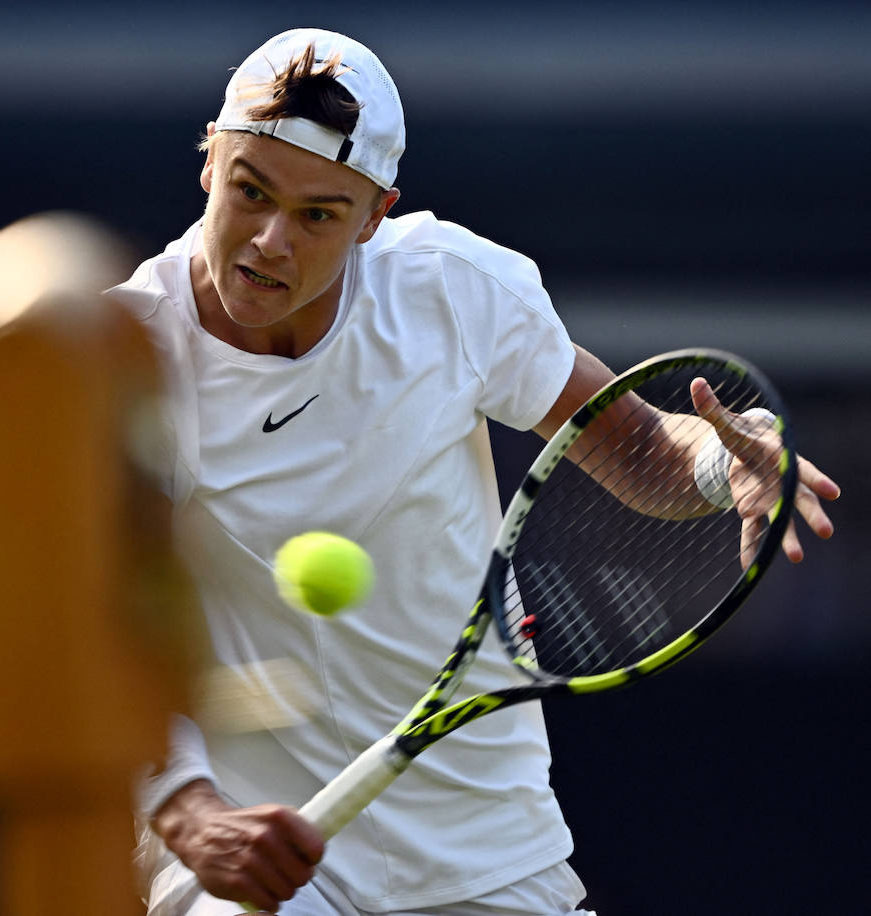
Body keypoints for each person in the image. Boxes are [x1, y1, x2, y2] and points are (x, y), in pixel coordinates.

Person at [109, 28, 841, 916]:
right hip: (244, 841)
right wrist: (186, 811)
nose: (268, 242)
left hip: (486, 843)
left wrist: (727, 464)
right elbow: (87, 626)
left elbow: (645, 449)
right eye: (249, 191)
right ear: (209, 164)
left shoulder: (450, 288)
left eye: (318, 215)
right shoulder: (122, 359)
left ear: (374, 217)